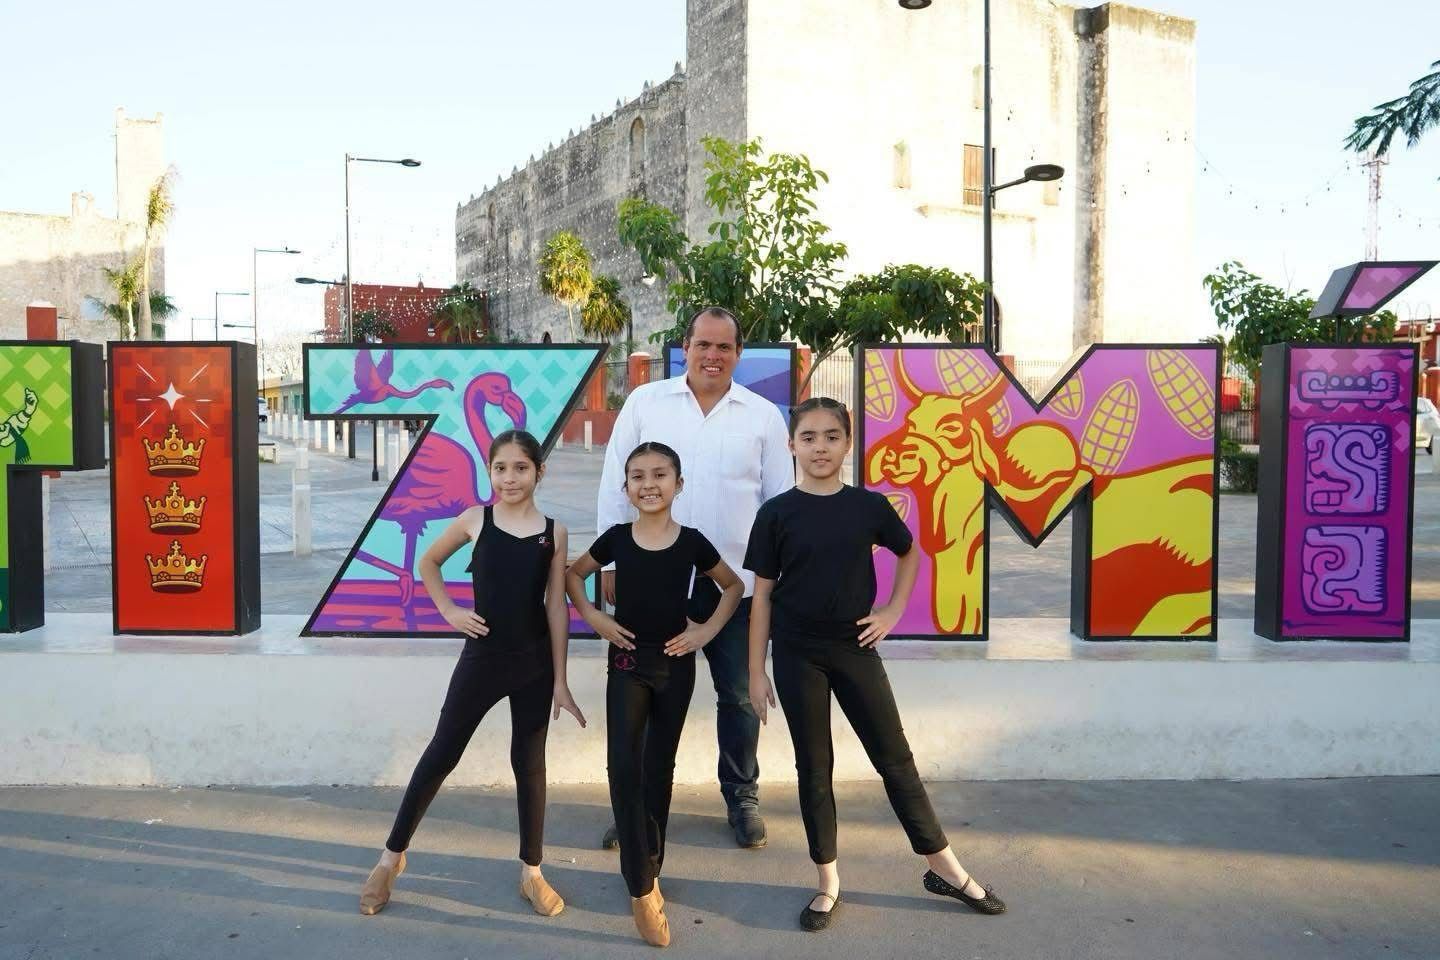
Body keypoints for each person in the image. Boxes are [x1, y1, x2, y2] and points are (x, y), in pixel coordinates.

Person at [744, 398, 1008, 932]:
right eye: (809, 437)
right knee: (814, 767)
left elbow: (910, 553)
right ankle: (828, 880)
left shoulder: (868, 506)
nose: (820, 447)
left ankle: (944, 867)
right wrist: (755, 670)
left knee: (895, 760)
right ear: (792, 445)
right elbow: (763, 596)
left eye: (832, 436)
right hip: (796, 653)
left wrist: (891, 611)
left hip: (855, 648)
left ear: (848, 443)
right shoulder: (776, 513)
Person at [359, 430, 586, 918]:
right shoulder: (475, 519)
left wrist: (561, 680)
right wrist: (449, 611)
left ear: (539, 472)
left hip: (534, 664)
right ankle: (390, 859)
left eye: (521, 468)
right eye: (500, 468)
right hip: (483, 659)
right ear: (489, 472)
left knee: (529, 764)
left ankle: (532, 872)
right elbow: (429, 561)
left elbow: (556, 606)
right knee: (441, 753)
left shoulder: (555, 531)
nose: (510, 478)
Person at [596, 306, 792, 849]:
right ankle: (635, 808)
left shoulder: (762, 416)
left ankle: (742, 798)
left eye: (724, 347)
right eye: (703, 344)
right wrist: (611, 563)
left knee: (738, 697)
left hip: (734, 585)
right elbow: (615, 481)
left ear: (738, 354)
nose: (712, 355)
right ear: (685, 347)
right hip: (650, 581)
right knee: (642, 699)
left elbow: (779, 505)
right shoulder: (646, 403)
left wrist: (774, 581)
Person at [568, 441, 744, 947]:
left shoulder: (692, 543)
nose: (649, 484)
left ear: (678, 484)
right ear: (626, 488)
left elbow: (733, 587)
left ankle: (652, 863)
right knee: (624, 766)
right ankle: (641, 887)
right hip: (627, 663)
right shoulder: (616, 539)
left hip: (675, 665)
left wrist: (705, 632)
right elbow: (573, 575)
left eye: (660, 474)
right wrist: (596, 618)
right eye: (638, 476)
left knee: (658, 768)